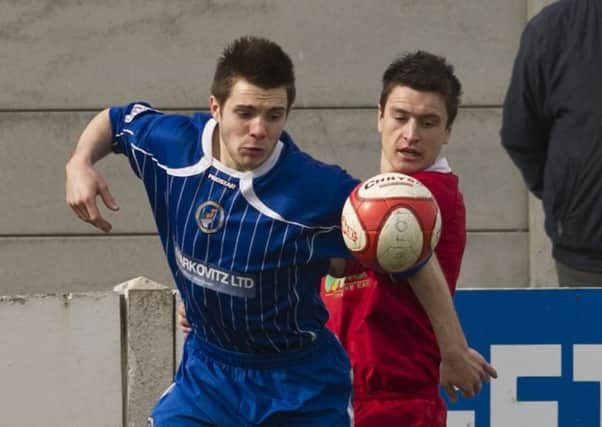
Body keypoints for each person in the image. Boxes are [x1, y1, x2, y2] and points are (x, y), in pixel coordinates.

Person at [66, 35, 492, 426]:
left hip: (300, 385)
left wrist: (452, 348)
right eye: (245, 113)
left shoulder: (326, 191)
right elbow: (118, 120)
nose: (258, 130)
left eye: (273, 116)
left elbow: (414, 257)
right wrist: (79, 163)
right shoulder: (172, 146)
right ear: (215, 107)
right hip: (209, 375)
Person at [321, 51, 497, 426]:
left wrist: (452, 348)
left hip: (395, 402)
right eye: (401, 117)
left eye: (428, 122)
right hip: (338, 394)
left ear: (448, 131)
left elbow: (333, 256)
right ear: (379, 117)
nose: (411, 135)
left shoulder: (430, 197)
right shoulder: (366, 199)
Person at [500, 0, 602, 286]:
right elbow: (520, 133)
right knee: (591, 331)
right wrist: (565, 197)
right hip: (588, 254)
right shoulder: (553, 29)